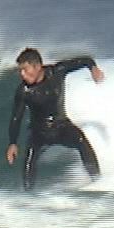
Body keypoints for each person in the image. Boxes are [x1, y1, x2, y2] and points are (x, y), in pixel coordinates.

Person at [6, 47, 105, 190]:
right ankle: (28, 195)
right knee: (29, 160)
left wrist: (93, 68)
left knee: (81, 140)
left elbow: (84, 60)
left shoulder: (57, 71)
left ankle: (97, 180)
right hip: (39, 131)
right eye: (20, 71)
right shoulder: (23, 91)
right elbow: (16, 117)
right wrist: (12, 143)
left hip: (61, 126)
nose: (22, 75)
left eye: (25, 70)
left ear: (37, 66)